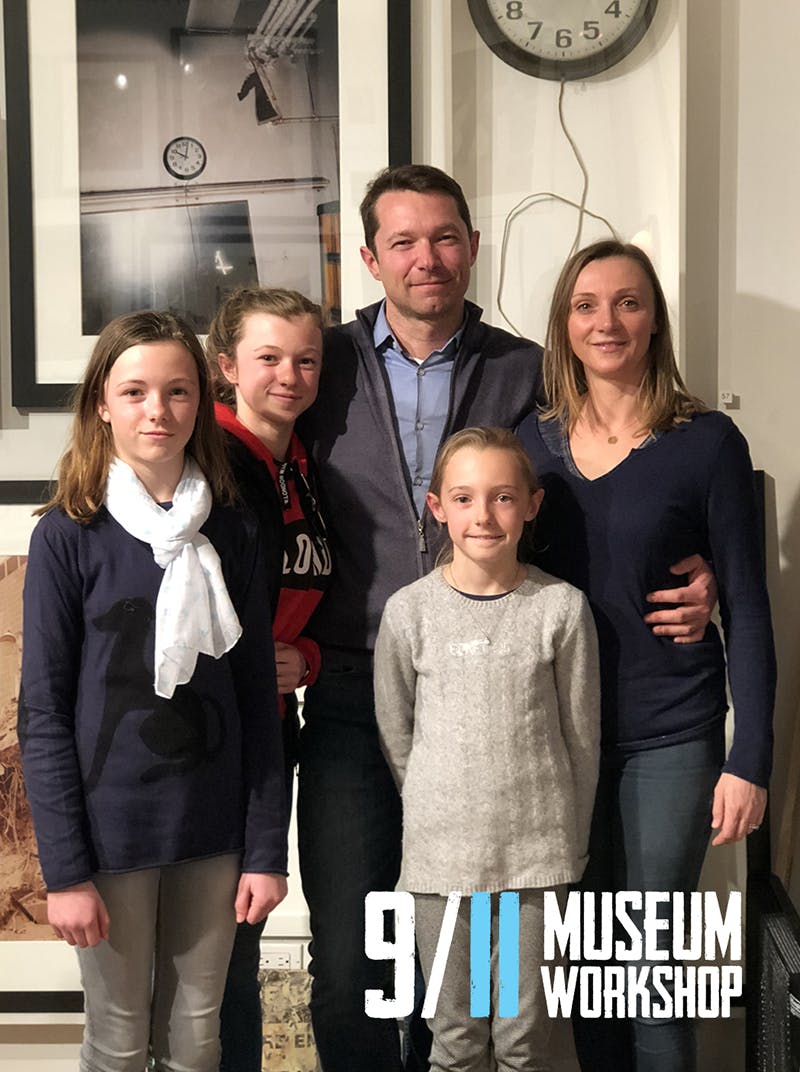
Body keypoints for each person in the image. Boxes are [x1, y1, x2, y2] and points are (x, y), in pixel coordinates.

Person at [296, 164, 717, 1072]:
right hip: (347, 687)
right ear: (369, 257)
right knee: (355, 965)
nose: (427, 259)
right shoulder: (321, 365)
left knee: (498, 996)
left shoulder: (530, 370)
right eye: (403, 241)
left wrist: (708, 565)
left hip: (491, 712)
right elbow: (251, 481)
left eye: (445, 237)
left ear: (473, 248)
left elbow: (623, 475)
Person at [516, 239, 777, 1072]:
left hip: (670, 735)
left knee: (650, 958)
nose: (608, 321)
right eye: (587, 304)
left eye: (629, 302)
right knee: (590, 966)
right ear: (564, 322)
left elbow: (746, 602)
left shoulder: (705, 443)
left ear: (656, 318)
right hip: (558, 744)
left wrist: (751, 757)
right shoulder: (530, 445)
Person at [18, 310, 289, 1072]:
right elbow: (42, 715)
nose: (157, 411)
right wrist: (66, 874)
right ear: (102, 403)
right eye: (134, 391)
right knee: (117, 1039)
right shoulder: (69, 535)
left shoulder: (229, 531)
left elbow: (256, 699)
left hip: (214, 833)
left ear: (201, 400)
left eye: (176, 391)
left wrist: (267, 850)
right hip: (110, 838)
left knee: (198, 1038)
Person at [374, 427, 600, 1072]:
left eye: (502, 497)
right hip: (444, 872)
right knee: (459, 1037)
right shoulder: (409, 613)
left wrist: (567, 846)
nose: (484, 515)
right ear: (437, 507)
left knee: (523, 1039)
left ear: (531, 504)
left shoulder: (559, 608)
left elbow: (581, 738)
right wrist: (435, 815)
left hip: (534, 869)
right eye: (465, 498)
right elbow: (399, 736)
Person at [206, 287, 331, 1072]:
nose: (290, 374)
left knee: (240, 944)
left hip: (272, 724)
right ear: (226, 366)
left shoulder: (299, 461)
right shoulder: (209, 467)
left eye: (306, 359)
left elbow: (303, 604)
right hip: (211, 740)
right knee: (212, 967)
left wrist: (307, 660)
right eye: (268, 358)